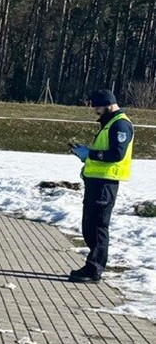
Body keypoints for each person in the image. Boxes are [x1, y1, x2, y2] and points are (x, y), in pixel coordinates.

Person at [67, 89, 133, 283]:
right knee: (89, 225)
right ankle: (91, 264)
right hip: (96, 181)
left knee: (98, 226)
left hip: (106, 183)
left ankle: (95, 269)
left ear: (108, 104)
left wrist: (91, 154)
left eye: (97, 106)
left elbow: (116, 154)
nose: (96, 110)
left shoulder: (120, 124)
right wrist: (85, 155)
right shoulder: (109, 123)